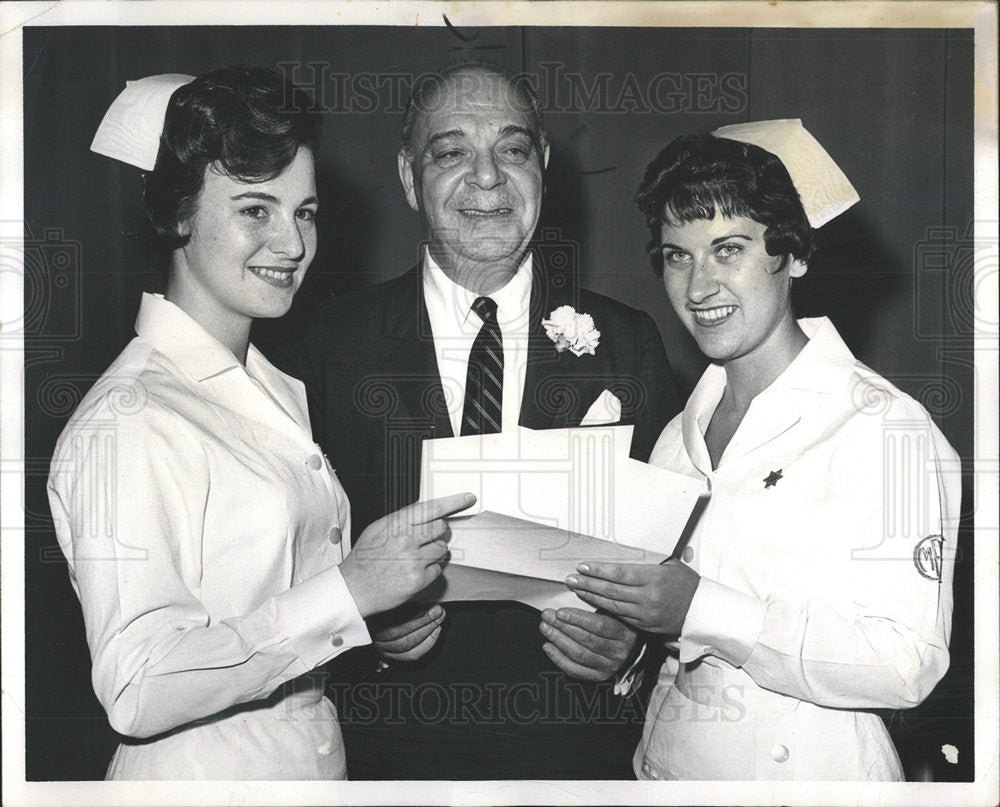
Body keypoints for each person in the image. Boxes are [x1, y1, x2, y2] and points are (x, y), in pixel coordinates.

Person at [46, 66, 471, 780]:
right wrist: (349, 592)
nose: (294, 243)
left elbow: (267, 599)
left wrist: (365, 615)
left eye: (303, 212)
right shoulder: (132, 418)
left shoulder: (270, 386)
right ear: (178, 213)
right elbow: (135, 683)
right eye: (255, 210)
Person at [271, 62, 680, 779]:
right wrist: (357, 618)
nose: (487, 179)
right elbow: (279, 556)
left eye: (513, 149)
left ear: (544, 167)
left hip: (575, 755)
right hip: (387, 757)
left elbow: (686, 553)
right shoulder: (325, 343)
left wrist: (633, 646)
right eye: (452, 151)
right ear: (408, 177)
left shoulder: (628, 340)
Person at [566, 120, 960, 780]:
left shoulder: (885, 428)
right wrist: (626, 651)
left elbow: (907, 663)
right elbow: (677, 650)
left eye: (728, 250)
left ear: (794, 254)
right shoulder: (676, 436)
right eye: (677, 255)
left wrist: (700, 608)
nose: (698, 287)